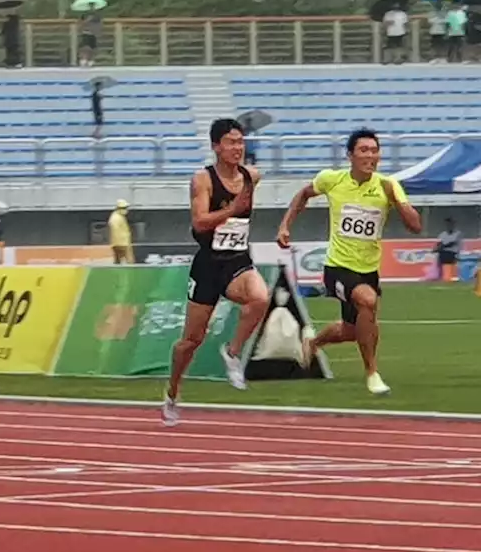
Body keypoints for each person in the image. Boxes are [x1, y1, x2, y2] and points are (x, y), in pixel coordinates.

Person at [276, 128, 420, 396]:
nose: (371, 156)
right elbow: (303, 195)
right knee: (368, 301)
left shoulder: (388, 185)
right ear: (350, 155)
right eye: (364, 150)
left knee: (353, 330)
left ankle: (313, 342)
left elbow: (416, 226)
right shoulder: (332, 180)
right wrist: (285, 226)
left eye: (375, 150)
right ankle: (372, 373)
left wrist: (396, 201)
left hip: (369, 269)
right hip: (338, 266)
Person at [164, 118, 270, 427]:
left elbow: (251, 188)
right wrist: (231, 211)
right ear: (215, 147)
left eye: (241, 142)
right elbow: (198, 223)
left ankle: (233, 352)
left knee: (260, 298)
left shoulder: (252, 176)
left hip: (237, 261)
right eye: (231, 142)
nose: (238, 148)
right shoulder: (203, 180)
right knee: (191, 341)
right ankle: (172, 392)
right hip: (209, 264)